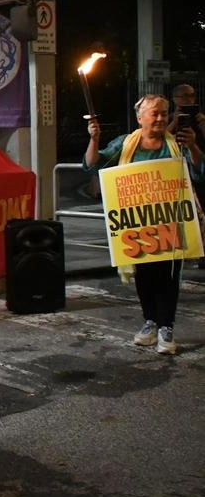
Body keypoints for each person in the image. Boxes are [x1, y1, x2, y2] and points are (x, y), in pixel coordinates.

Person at [84, 93, 204, 355]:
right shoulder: (125, 144)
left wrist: (194, 146)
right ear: (140, 118)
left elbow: (199, 172)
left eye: (164, 113)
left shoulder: (178, 144)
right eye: (154, 113)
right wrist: (94, 139)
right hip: (137, 225)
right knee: (145, 275)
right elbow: (92, 165)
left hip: (171, 221)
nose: (160, 118)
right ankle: (149, 322)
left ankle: (166, 327)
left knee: (169, 276)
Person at [166, 83, 205, 269]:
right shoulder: (166, 120)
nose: (188, 99)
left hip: (199, 172)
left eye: (191, 95)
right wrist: (174, 121)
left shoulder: (200, 120)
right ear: (174, 99)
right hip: (175, 175)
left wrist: (202, 124)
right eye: (183, 96)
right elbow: (160, 139)